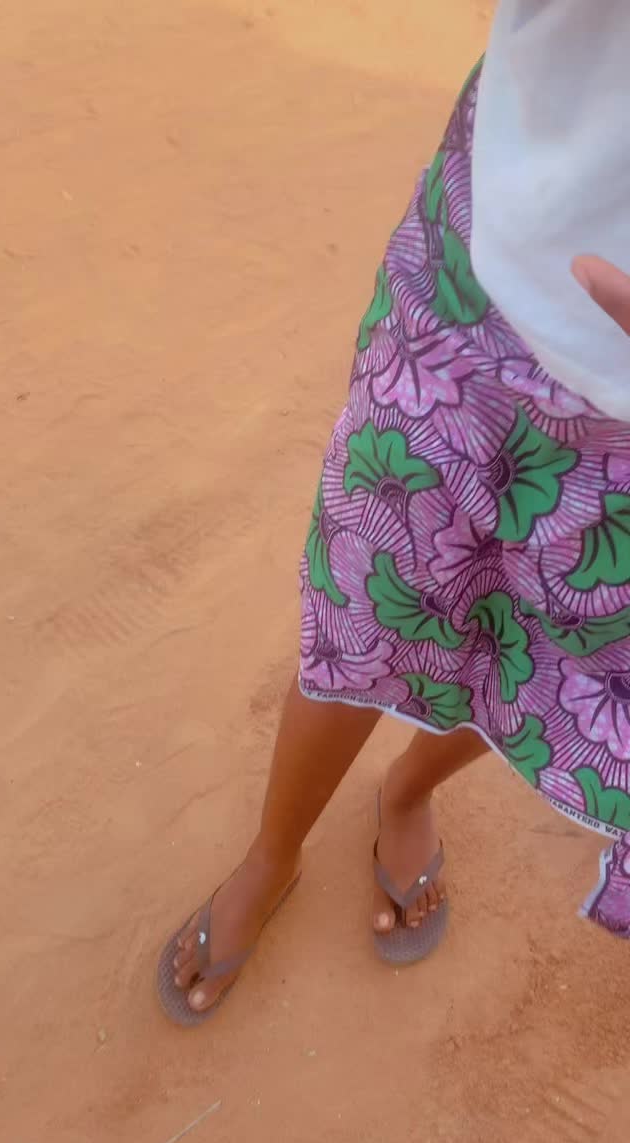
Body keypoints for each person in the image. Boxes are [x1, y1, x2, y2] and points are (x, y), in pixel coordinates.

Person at [158, 0, 630, 1025]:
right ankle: (274, 850)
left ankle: (409, 788)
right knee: (371, 608)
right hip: (485, 294)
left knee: (538, 661)